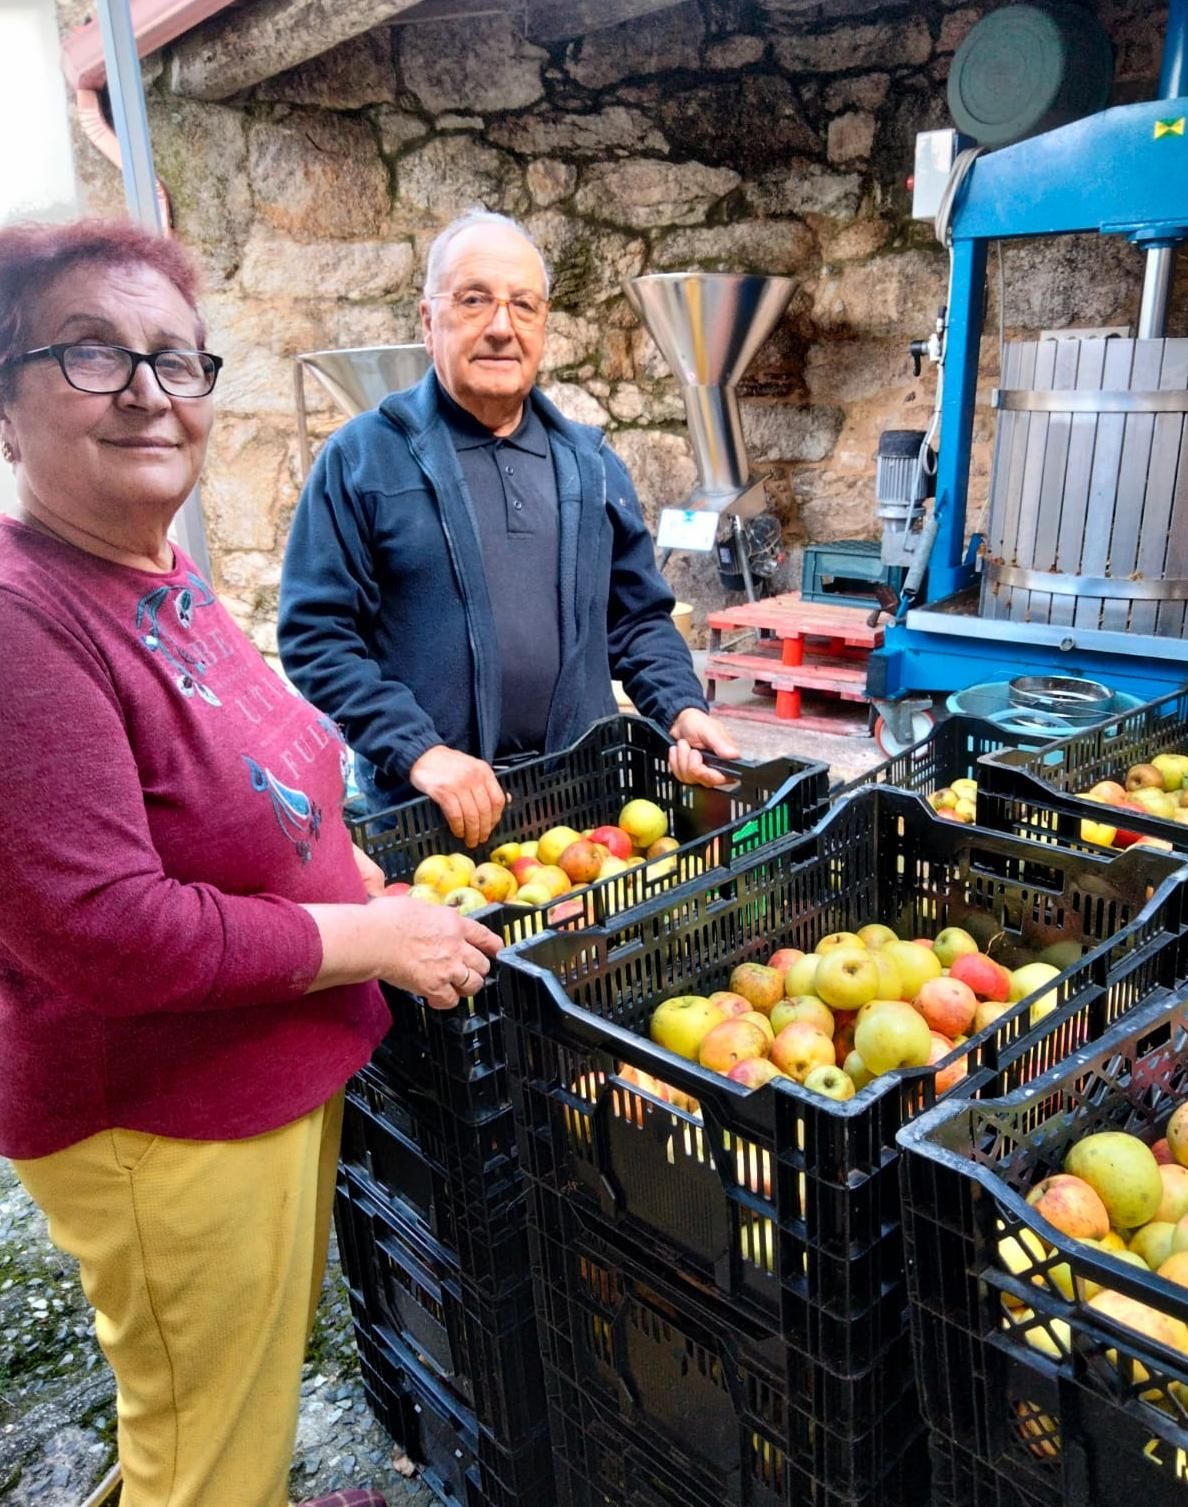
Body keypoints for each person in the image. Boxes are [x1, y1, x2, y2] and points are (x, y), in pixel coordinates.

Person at [0, 219, 500, 1507]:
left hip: (253, 1074)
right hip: (161, 1115)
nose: (149, 393)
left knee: (209, 1403)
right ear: (6, 404)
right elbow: (106, 928)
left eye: (175, 360)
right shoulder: (24, 621)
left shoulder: (157, 574)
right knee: (205, 1454)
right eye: (92, 355)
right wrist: (372, 939)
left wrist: (367, 887)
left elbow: (261, 802)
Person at [278, 209, 740, 846]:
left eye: (524, 305)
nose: (502, 327)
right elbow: (316, 635)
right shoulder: (362, 461)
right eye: (474, 300)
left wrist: (681, 708)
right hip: (429, 820)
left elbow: (636, 619)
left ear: (544, 325)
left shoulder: (593, 465)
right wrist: (417, 751)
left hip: (582, 813)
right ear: (427, 318)